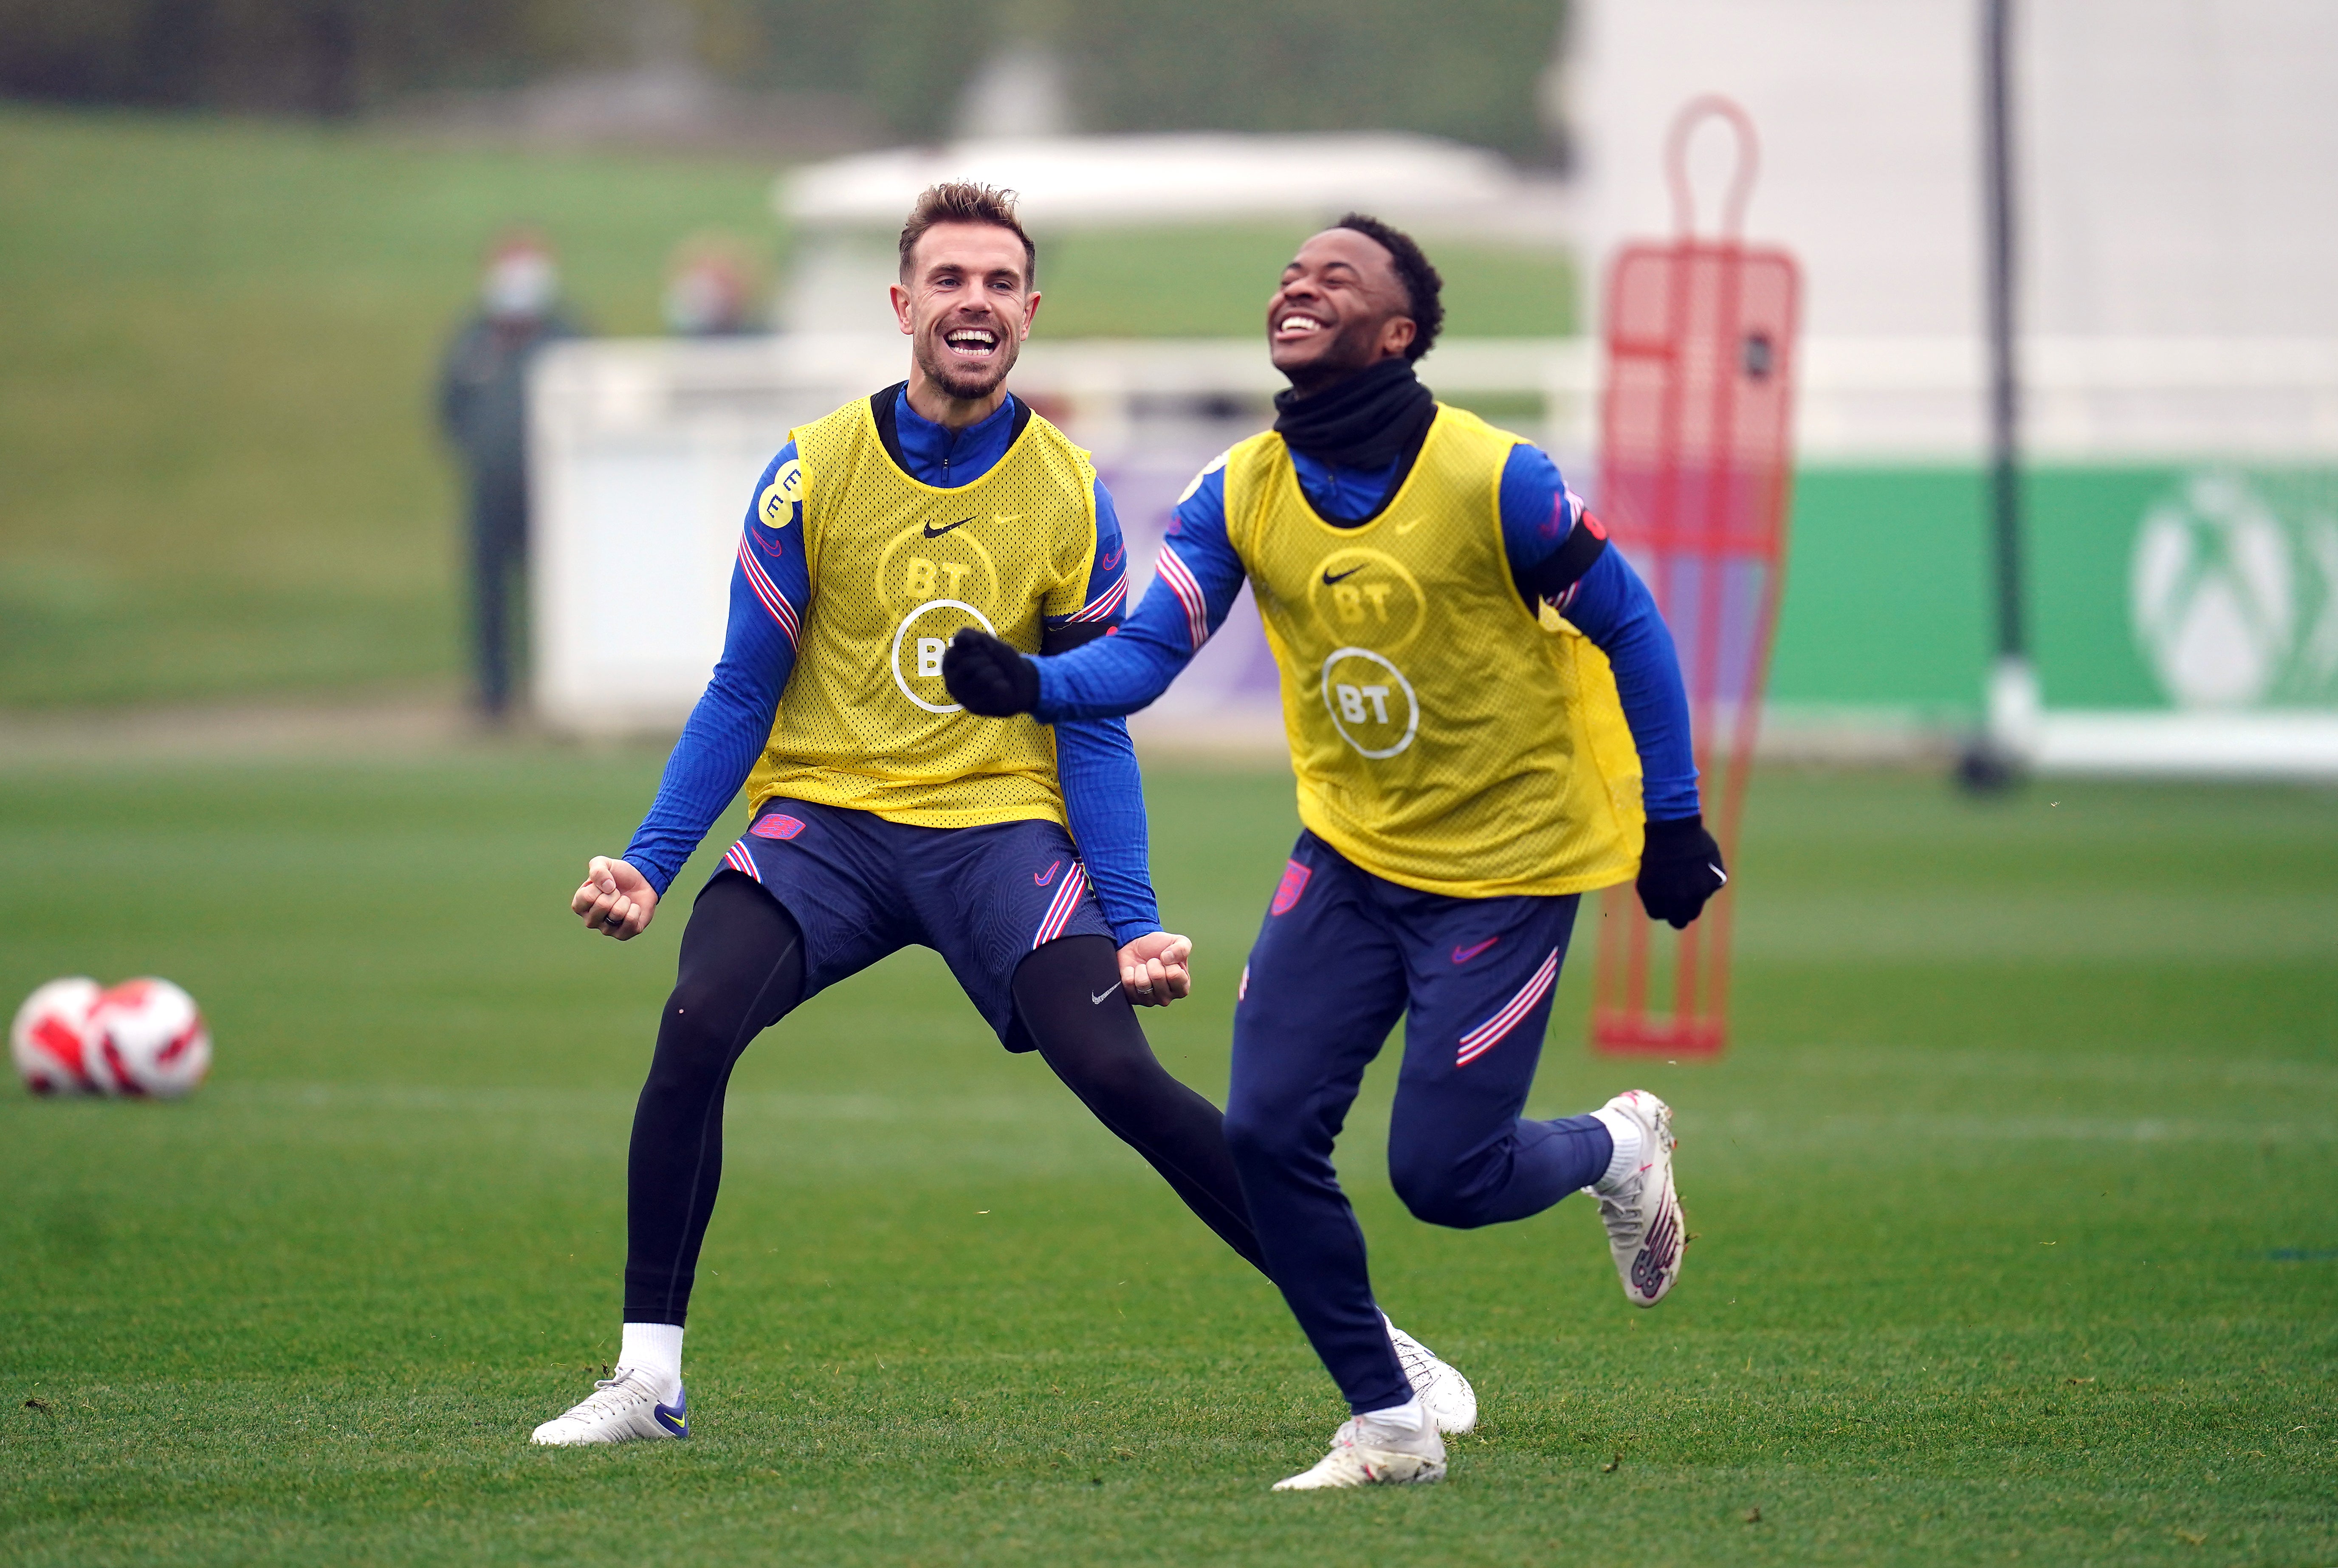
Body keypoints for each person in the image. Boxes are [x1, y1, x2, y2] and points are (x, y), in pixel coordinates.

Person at [529, 185, 1472, 1447]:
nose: (973, 302)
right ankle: (647, 1380)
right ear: (904, 303)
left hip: (996, 837)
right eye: (949, 279)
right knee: (695, 1025)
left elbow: (1087, 718)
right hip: (828, 828)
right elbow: (744, 686)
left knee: (1119, 1076)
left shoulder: (1067, 489)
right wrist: (651, 861)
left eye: (997, 284)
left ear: (1028, 312)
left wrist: (1132, 921)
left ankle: (1375, 1342)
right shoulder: (809, 470)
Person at [943, 214, 1727, 1490]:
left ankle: (1617, 1146)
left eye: (1336, 277)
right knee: (1262, 1134)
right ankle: (1388, 1422)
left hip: (1507, 869)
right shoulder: (1239, 486)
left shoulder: (1498, 481)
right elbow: (1146, 655)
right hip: (1349, 858)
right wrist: (1029, 681)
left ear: (1396, 331)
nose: (1299, 284)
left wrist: (1673, 820)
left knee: (1444, 1176)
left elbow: (1633, 627)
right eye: (1291, 272)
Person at [437, 231, 582, 719]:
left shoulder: (567, 335)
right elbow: (448, 408)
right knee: (489, 594)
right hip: (490, 491)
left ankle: (555, 688)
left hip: (554, 496)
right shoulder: (473, 337)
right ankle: (494, 693)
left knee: (557, 590)